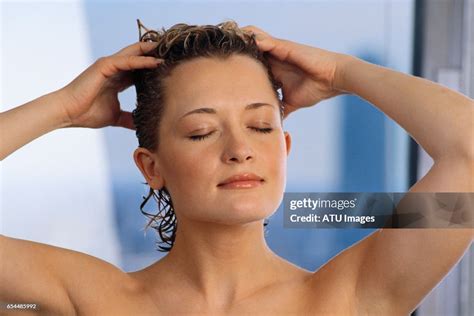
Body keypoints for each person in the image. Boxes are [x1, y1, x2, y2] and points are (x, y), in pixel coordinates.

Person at [0, 20, 472, 315]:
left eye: (262, 126)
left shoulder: (345, 298)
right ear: (151, 166)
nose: (239, 149)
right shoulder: (90, 299)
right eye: (202, 132)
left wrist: (340, 72)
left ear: (284, 147)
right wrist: (63, 106)